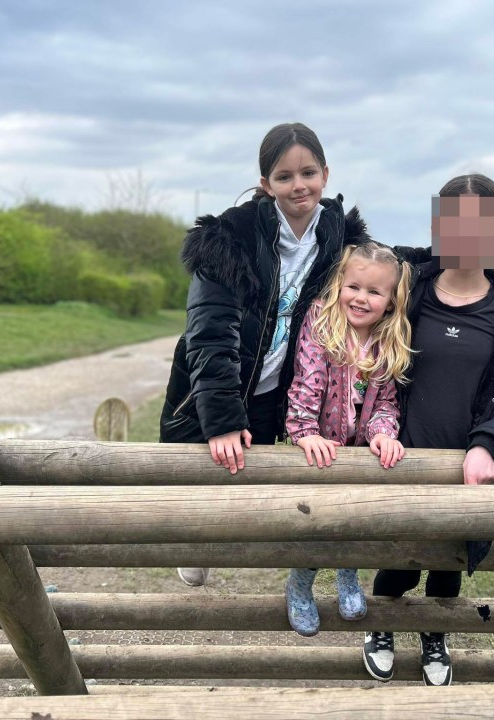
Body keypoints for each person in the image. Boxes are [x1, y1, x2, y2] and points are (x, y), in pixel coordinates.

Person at [159, 123, 427, 586]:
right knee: (196, 482)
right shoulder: (231, 238)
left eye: (308, 173)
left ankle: (226, 546)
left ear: (325, 173)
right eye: (284, 177)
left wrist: (461, 258)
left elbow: (393, 261)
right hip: (216, 386)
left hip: (271, 393)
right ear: (266, 184)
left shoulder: (338, 236)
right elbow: (209, 333)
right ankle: (192, 542)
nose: (298, 185)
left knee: (246, 480)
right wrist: (221, 418)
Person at [361, 173, 494, 686]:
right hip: (397, 461)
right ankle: (380, 626)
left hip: (466, 474)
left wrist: (490, 444)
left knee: (448, 566)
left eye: (478, 226)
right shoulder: (406, 288)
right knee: (399, 560)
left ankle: (435, 634)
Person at [283, 242, 412, 636]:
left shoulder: (387, 340)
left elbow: (386, 403)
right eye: (354, 287)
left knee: (355, 522)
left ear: (391, 301)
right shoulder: (323, 322)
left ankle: (347, 576)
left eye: (375, 292)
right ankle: (300, 585)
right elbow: (307, 379)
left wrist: (383, 435)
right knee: (316, 523)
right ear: (341, 283)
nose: (361, 298)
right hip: (319, 447)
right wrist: (305, 431)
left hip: (358, 454)